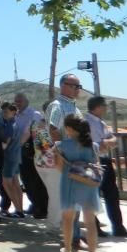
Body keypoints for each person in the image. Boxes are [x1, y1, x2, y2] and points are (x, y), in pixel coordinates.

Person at [87, 95, 127, 238]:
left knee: (112, 195)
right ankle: (95, 228)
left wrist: (108, 141)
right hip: (95, 162)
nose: (106, 109)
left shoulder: (99, 122)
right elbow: (100, 145)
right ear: (99, 107)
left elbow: (112, 139)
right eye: (104, 106)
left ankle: (118, 227)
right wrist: (108, 142)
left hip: (105, 161)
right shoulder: (88, 123)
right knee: (93, 196)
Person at [42, 74, 84, 241]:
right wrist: (65, 153)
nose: (77, 89)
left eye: (78, 86)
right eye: (75, 85)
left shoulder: (74, 108)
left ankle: (73, 235)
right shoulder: (58, 106)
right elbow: (53, 130)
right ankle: (68, 235)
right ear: (64, 86)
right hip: (67, 159)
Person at [55, 115, 100, 252]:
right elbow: (96, 165)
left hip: (70, 183)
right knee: (90, 222)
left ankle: (67, 249)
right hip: (88, 184)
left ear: (69, 129)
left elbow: (59, 167)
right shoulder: (93, 146)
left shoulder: (62, 145)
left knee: (68, 219)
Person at [14, 93, 47, 219]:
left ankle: (42, 207)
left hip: (34, 150)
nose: (17, 103)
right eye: (16, 101)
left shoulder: (35, 114)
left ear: (27, 101)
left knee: (37, 181)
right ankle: (36, 205)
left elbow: (38, 133)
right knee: (27, 181)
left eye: (20, 100)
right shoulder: (15, 115)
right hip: (21, 150)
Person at [0, 102, 26, 218]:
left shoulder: (10, 126)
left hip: (9, 157)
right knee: (16, 183)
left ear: (13, 112)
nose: (4, 114)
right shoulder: (16, 124)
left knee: (6, 183)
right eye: (3, 111)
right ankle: (20, 210)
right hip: (16, 156)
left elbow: (4, 145)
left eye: (6, 112)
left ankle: (18, 210)